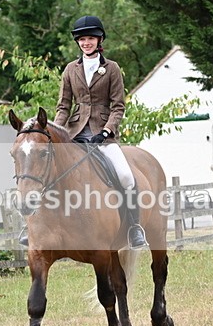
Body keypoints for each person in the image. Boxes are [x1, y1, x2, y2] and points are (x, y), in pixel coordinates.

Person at [20, 15, 147, 249]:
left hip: (103, 136)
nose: (86, 43)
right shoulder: (71, 69)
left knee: (126, 176)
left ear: (99, 40)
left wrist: (107, 131)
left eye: (90, 38)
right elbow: (63, 106)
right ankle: (31, 227)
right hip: (74, 134)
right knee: (46, 170)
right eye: (82, 39)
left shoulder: (111, 69)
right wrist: (54, 131)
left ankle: (134, 227)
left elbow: (118, 106)